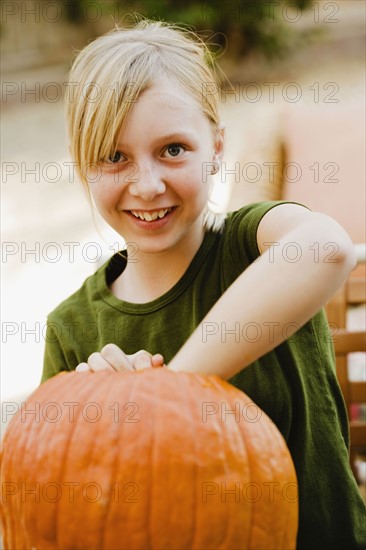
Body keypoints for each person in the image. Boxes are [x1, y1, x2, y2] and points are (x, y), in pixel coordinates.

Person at [42, 19, 366, 549]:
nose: (147, 185)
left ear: (216, 148)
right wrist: (95, 417)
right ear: (85, 169)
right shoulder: (72, 329)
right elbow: (67, 510)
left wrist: (165, 395)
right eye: (113, 157)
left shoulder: (256, 245)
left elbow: (327, 249)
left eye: (173, 149)